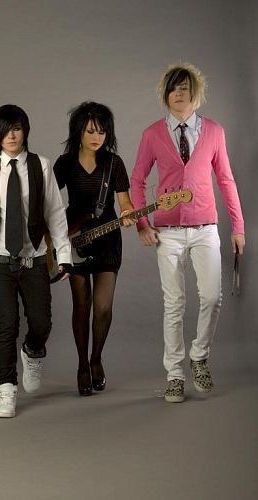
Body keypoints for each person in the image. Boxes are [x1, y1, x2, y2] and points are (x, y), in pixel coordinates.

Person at [130, 62, 245, 403]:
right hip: (167, 231)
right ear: (165, 95)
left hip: (205, 228)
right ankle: (175, 375)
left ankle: (199, 356)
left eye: (185, 88)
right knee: (174, 303)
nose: (179, 93)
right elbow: (137, 180)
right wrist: (143, 224)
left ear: (196, 93)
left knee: (211, 296)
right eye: (173, 88)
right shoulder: (152, 134)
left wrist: (238, 226)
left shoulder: (214, 131)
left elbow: (226, 180)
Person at [0, 104, 72, 418]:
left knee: (41, 322)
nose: (11, 135)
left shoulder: (41, 166)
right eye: (5, 130)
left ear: (25, 131)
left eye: (17, 129)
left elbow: (55, 214)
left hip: (33, 258)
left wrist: (63, 255)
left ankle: (33, 351)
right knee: (6, 323)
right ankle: (6, 389)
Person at [53, 101, 136, 396]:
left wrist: (128, 213)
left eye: (101, 131)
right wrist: (53, 238)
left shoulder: (114, 163)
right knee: (82, 305)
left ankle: (96, 358)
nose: (96, 137)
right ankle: (81, 366)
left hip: (107, 239)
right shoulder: (65, 163)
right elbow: (49, 203)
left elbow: (125, 202)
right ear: (78, 131)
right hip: (74, 238)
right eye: (90, 131)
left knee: (102, 307)